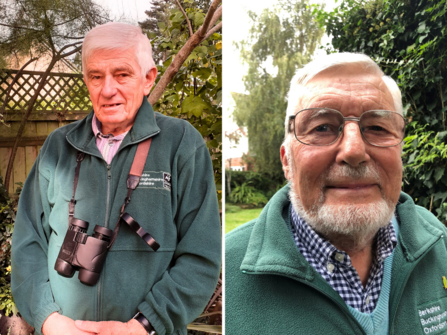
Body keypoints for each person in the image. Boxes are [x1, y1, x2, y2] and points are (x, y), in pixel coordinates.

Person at [11, 22, 221, 335]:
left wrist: (145, 325)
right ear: (86, 81)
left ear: (148, 79)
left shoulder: (181, 144)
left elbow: (201, 255)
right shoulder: (58, 145)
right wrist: (48, 319)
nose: (108, 89)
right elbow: (27, 244)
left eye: (122, 74)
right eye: (96, 76)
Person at [225, 52, 447, 335]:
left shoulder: (437, 241)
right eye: (323, 127)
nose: (354, 151)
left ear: (400, 152)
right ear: (287, 161)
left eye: (377, 128)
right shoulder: (230, 271)